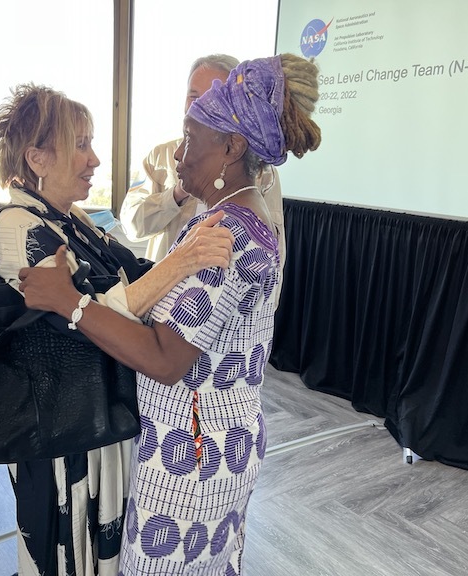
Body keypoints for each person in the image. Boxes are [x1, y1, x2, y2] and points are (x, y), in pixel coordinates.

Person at [18, 53, 321, 574]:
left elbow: (164, 357)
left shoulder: (231, 233)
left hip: (195, 458)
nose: (179, 152)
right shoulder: (232, 217)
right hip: (208, 444)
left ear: (231, 146)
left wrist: (68, 300)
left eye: (190, 135)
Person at [0, 83, 234, 576]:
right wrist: (183, 261)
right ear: (37, 158)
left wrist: (182, 267)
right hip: (60, 432)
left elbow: (132, 276)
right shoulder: (17, 227)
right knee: (68, 543)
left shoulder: (71, 219)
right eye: (80, 144)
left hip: (98, 418)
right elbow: (91, 318)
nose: (94, 159)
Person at [121, 54, 286, 266]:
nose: (198, 107)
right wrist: (176, 195)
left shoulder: (262, 171)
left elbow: (275, 251)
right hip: (164, 289)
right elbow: (131, 225)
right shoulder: (161, 157)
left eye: (212, 97)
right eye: (193, 97)